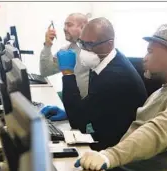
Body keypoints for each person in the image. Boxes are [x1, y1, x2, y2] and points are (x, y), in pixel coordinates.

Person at [74, 24, 167, 171]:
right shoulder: (162, 91)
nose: (145, 58)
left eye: (150, 51)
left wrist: (109, 156)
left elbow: (157, 132)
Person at [41, 17, 147, 151]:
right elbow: (91, 108)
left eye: (89, 45)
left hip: (116, 148)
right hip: (106, 133)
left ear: (109, 44)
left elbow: (78, 123)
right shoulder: (105, 61)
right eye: (82, 43)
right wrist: (67, 112)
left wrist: (68, 73)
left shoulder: (113, 77)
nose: (84, 50)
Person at [39, 13, 89, 98]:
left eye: (69, 25)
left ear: (83, 27)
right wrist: (47, 45)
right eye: (65, 25)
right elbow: (45, 71)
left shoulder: (95, 50)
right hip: (72, 99)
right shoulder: (66, 50)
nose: (65, 29)